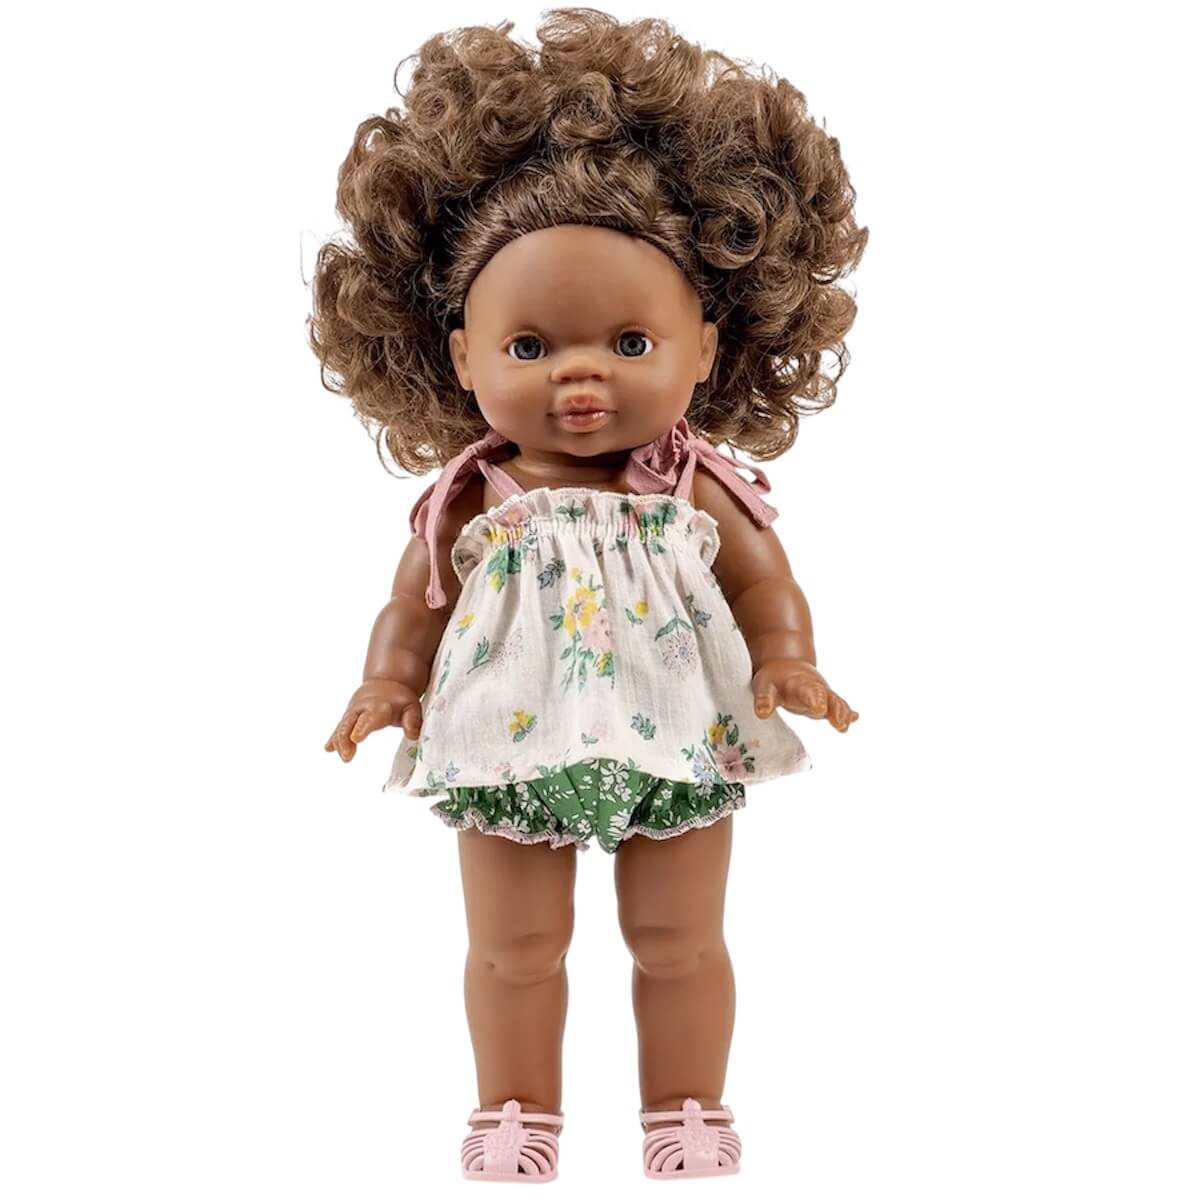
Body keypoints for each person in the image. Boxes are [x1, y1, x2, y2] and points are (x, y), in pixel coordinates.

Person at [312, 8, 866, 1181]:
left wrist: (786, 654)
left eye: (628, 342)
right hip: (506, 732)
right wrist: (389, 678)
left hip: (679, 726)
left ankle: (686, 1105)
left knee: (679, 936)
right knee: (513, 945)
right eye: (529, 348)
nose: (579, 373)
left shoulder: (689, 481)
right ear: (460, 356)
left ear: (703, 348)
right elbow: (416, 599)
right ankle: (515, 1106)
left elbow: (762, 574)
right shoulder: (479, 490)